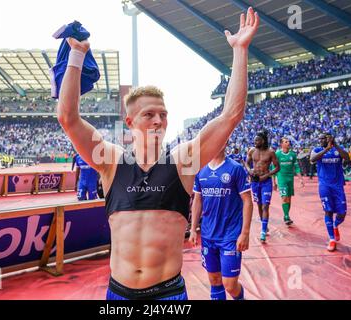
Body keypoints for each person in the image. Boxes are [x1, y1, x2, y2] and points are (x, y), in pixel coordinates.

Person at [57, 7, 259, 300]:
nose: (158, 121)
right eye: (149, 114)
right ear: (130, 122)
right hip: (119, 295)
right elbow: (68, 118)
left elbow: (230, 115)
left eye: (163, 115)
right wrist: (76, 56)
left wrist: (240, 51)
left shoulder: (183, 162)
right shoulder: (112, 161)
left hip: (168, 295)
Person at [189, 146, 252, 300]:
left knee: (230, 285)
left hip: (230, 236)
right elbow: (198, 200)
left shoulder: (235, 169)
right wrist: (192, 229)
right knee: (214, 280)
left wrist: (245, 233)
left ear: (224, 143)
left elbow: (247, 201)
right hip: (208, 235)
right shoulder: (201, 171)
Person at [310, 133, 349, 252]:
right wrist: (326, 149)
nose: (321, 140)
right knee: (328, 211)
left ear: (329, 139)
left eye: (323, 138)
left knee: (342, 213)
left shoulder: (338, 149)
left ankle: (335, 225)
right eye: (320, 138)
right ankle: (331, 239)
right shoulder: (317, 149)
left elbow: (347, 159)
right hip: (324, 186)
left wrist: (335, 144)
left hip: (338, 185)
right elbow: (312, 159)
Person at [245, 130, 280, 243]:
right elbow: (246, 163)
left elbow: (277, 167)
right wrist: (249, 170)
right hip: (255, 182)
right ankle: (264, 224)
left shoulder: (270, 152)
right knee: (259, 205)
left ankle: (263, 232)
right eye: (254, 140)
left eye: (257, 140)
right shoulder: (251, 151)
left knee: (265, 206)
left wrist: (267, 175)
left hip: (266, 182)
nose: (255, 142)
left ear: (263, 141)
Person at [272, 137, 304, 226]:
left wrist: (300, 179)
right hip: (281, 178)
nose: (288, 143)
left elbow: (296, 167)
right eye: (286, 142)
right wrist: (274, 182)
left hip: (290, 178)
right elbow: (273, 168)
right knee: (284, 197)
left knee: (289, 199)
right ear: (281, 144)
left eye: (288, 141)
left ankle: (287, 215)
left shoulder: (293, 154)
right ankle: (286, 216)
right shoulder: (277, 154)